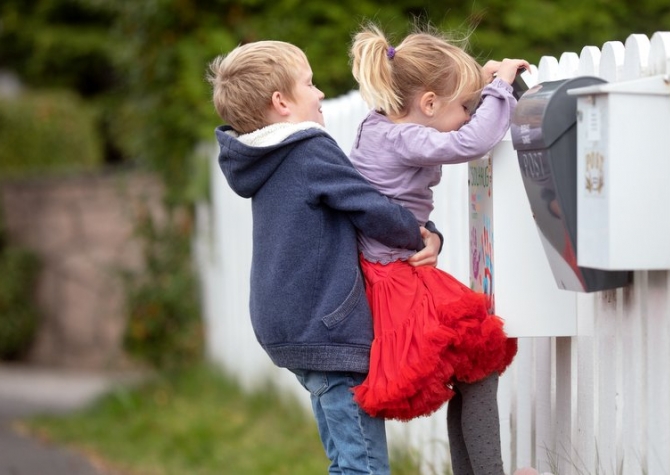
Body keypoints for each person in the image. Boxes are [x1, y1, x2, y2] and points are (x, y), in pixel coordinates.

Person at [206, 40, 443, 475]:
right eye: (309, 83)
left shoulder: (264, 158)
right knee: (363, 466)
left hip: (292, 325)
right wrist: (420, 234)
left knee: (345, 459)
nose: (319, 94)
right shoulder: (307, 149)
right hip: (328, 326)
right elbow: (367, 206)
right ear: (281, 102)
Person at [347, 23, 529, 475]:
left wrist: (431, 233)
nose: (469, 115)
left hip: (395, 266)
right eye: (465, 106)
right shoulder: (403, 137)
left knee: (470, 372)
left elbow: (396, 201)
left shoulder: (378, 125)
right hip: (397, 279)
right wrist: (501, 87)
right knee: (477, 364)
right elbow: (470, 141)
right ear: (428, 103)